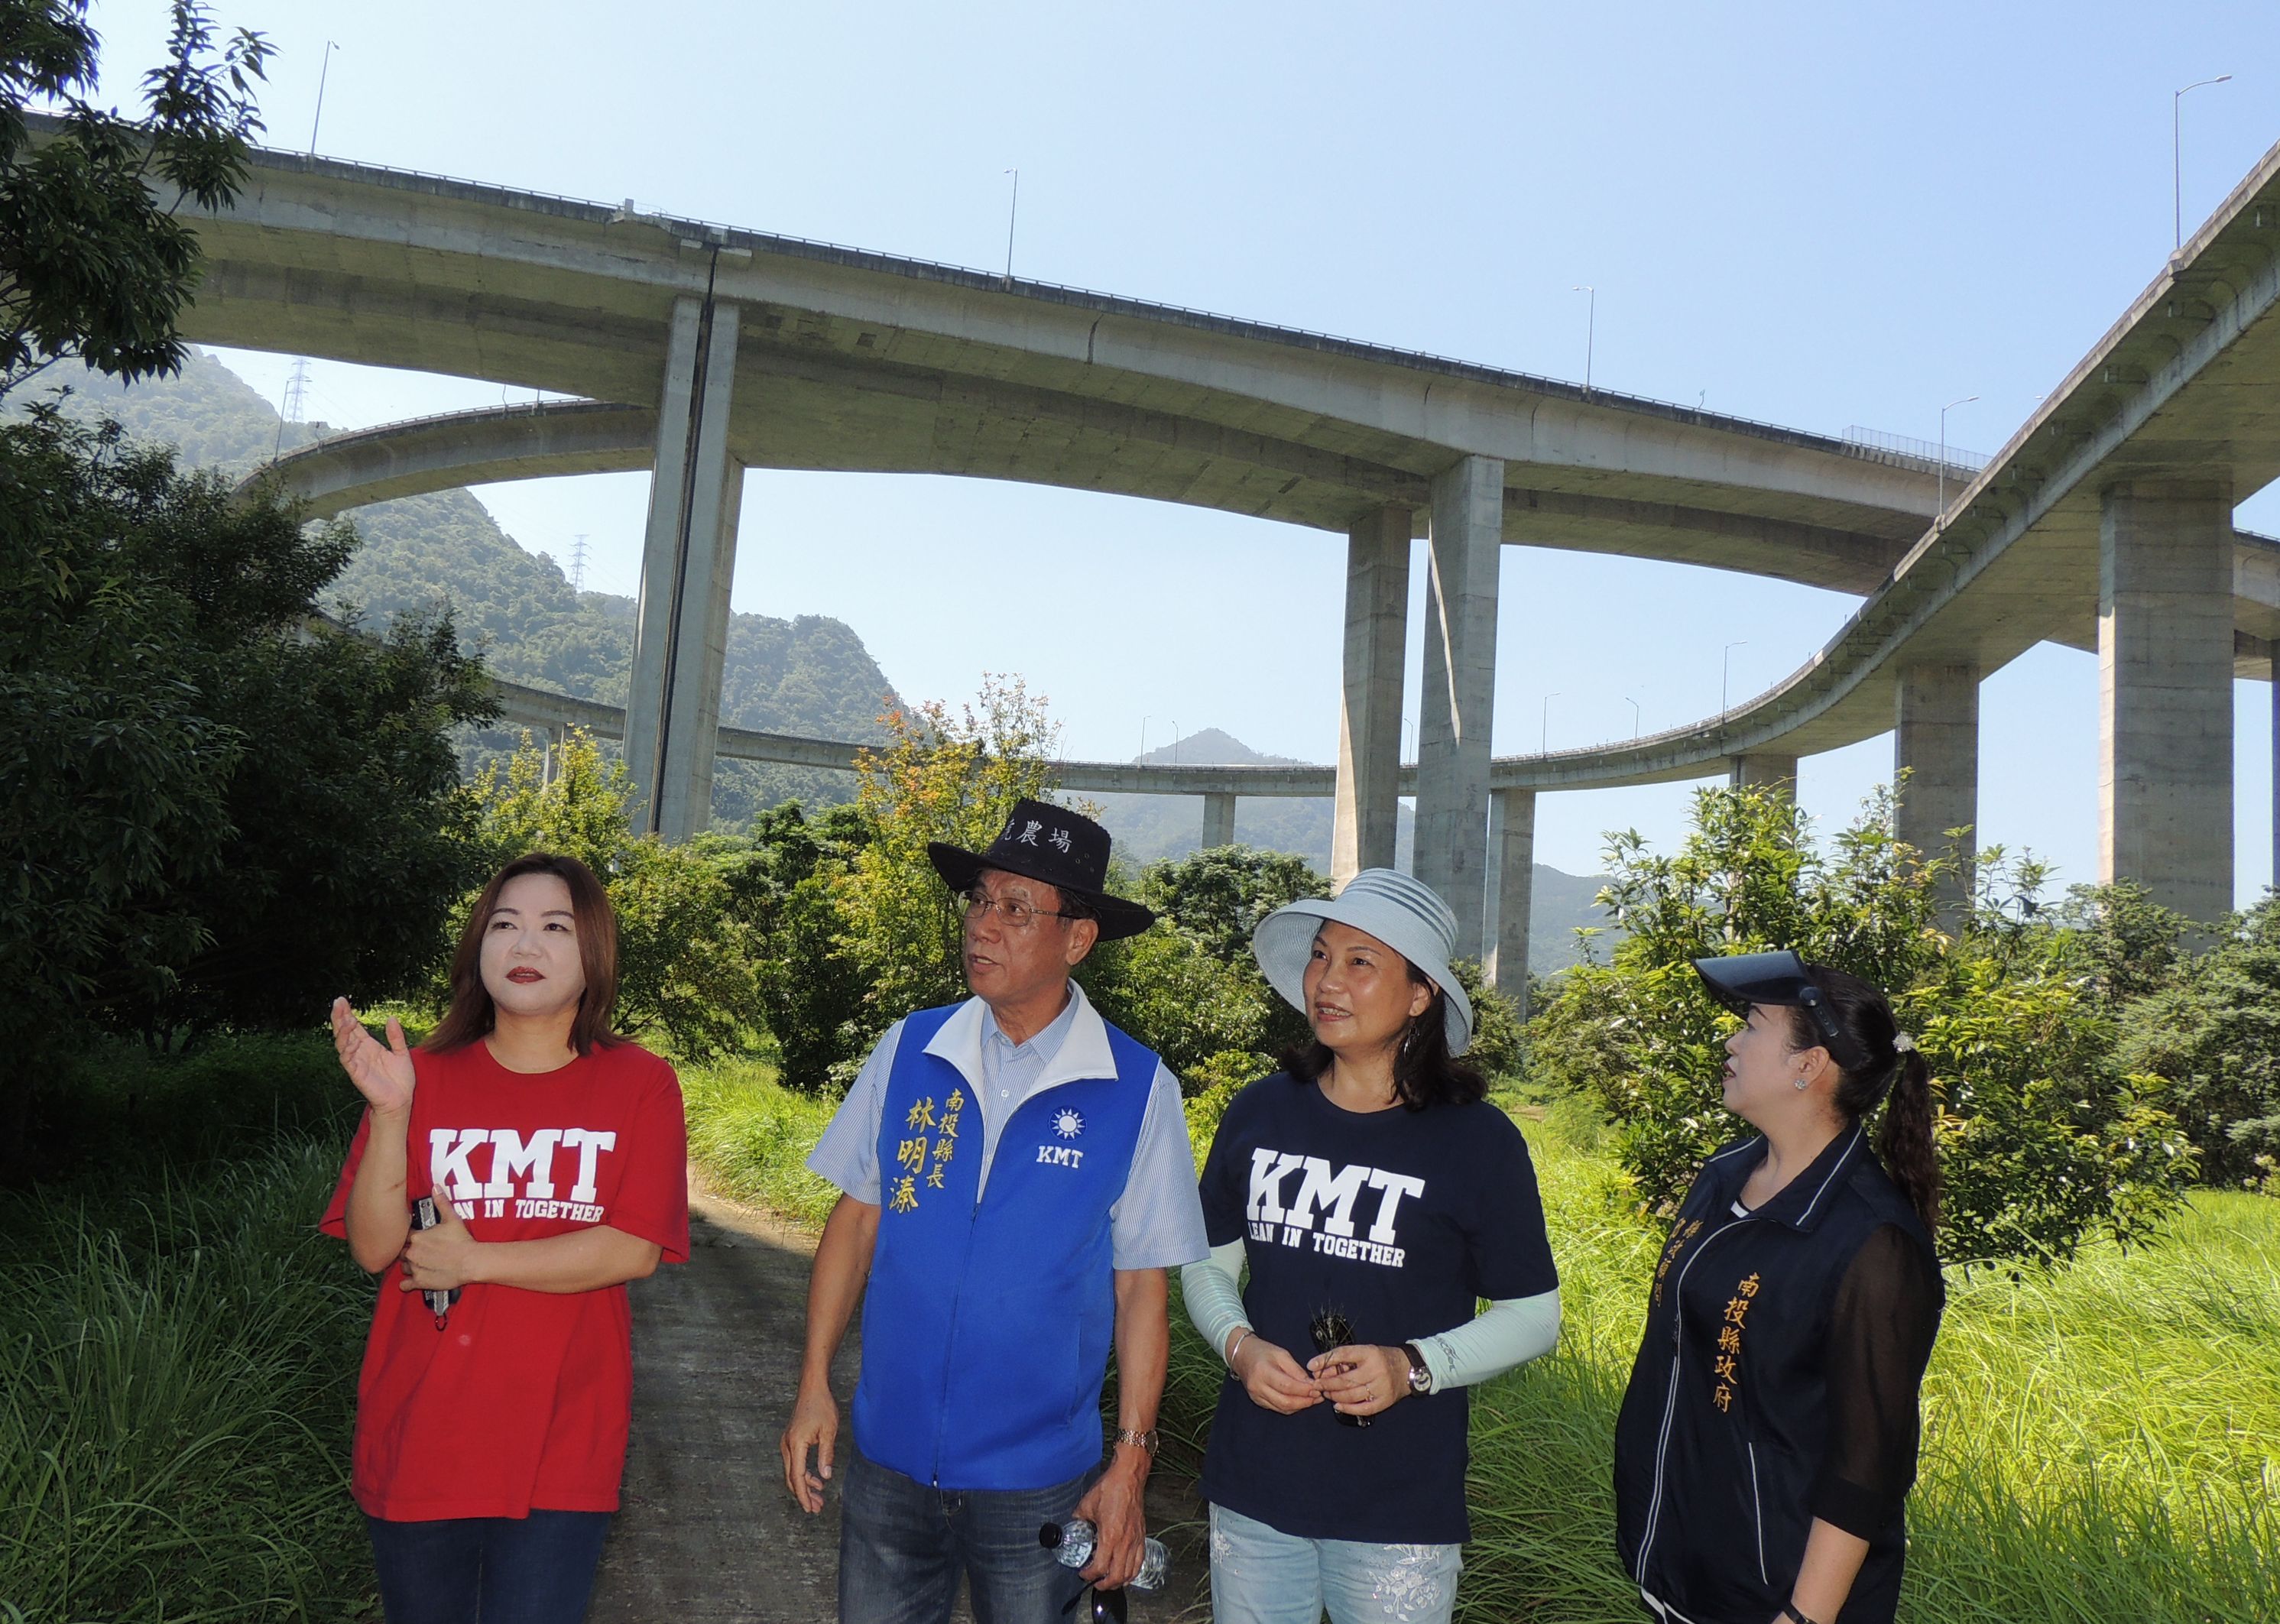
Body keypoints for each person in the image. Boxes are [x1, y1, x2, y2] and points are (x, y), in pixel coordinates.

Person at [779, 798, 1209, 1624]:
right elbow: (856, 1221)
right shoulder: (911, 1047)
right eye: (979, 900)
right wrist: (812, 1384)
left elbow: (1139, 1289)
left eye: (1016, 909)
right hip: (888, 1459)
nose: (982, 924)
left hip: (1039, 1483)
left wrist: (1129, 1467)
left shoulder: (1136, 1087)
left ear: (1077, 939)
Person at [1181, 867, 1562, 1624]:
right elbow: (1207, 1262)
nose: (1328, 980)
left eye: (1361, 962)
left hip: (1399, 1508)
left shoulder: (1476, 1141)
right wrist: (1238, 1346)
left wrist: (1411, 1365)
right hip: (1256, 1487)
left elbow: (1533, 1315)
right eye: (1321, 954)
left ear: (1420, 993)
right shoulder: (1260, 1111)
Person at [322, 852, 689, 1624]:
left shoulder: (639, 1082)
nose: (526, 945)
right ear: (478, 947)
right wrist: (391, 1115)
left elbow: (633, 1248)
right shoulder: (418, 1076)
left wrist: (473, 1260)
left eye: (555, 927)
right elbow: (372, 1247)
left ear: (593, 953)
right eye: (505, 925)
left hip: (563, 1440)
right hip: (421, 1432)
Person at [1614, 950, 1944, 1624]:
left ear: (1808, 1064)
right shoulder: (1723, 1176)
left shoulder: (1872, 1242)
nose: (1730, 1042)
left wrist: (1803, 1615)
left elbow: (1867, 1466)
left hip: (1776, 1600)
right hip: (1682, 1571)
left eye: (1751, 1025)